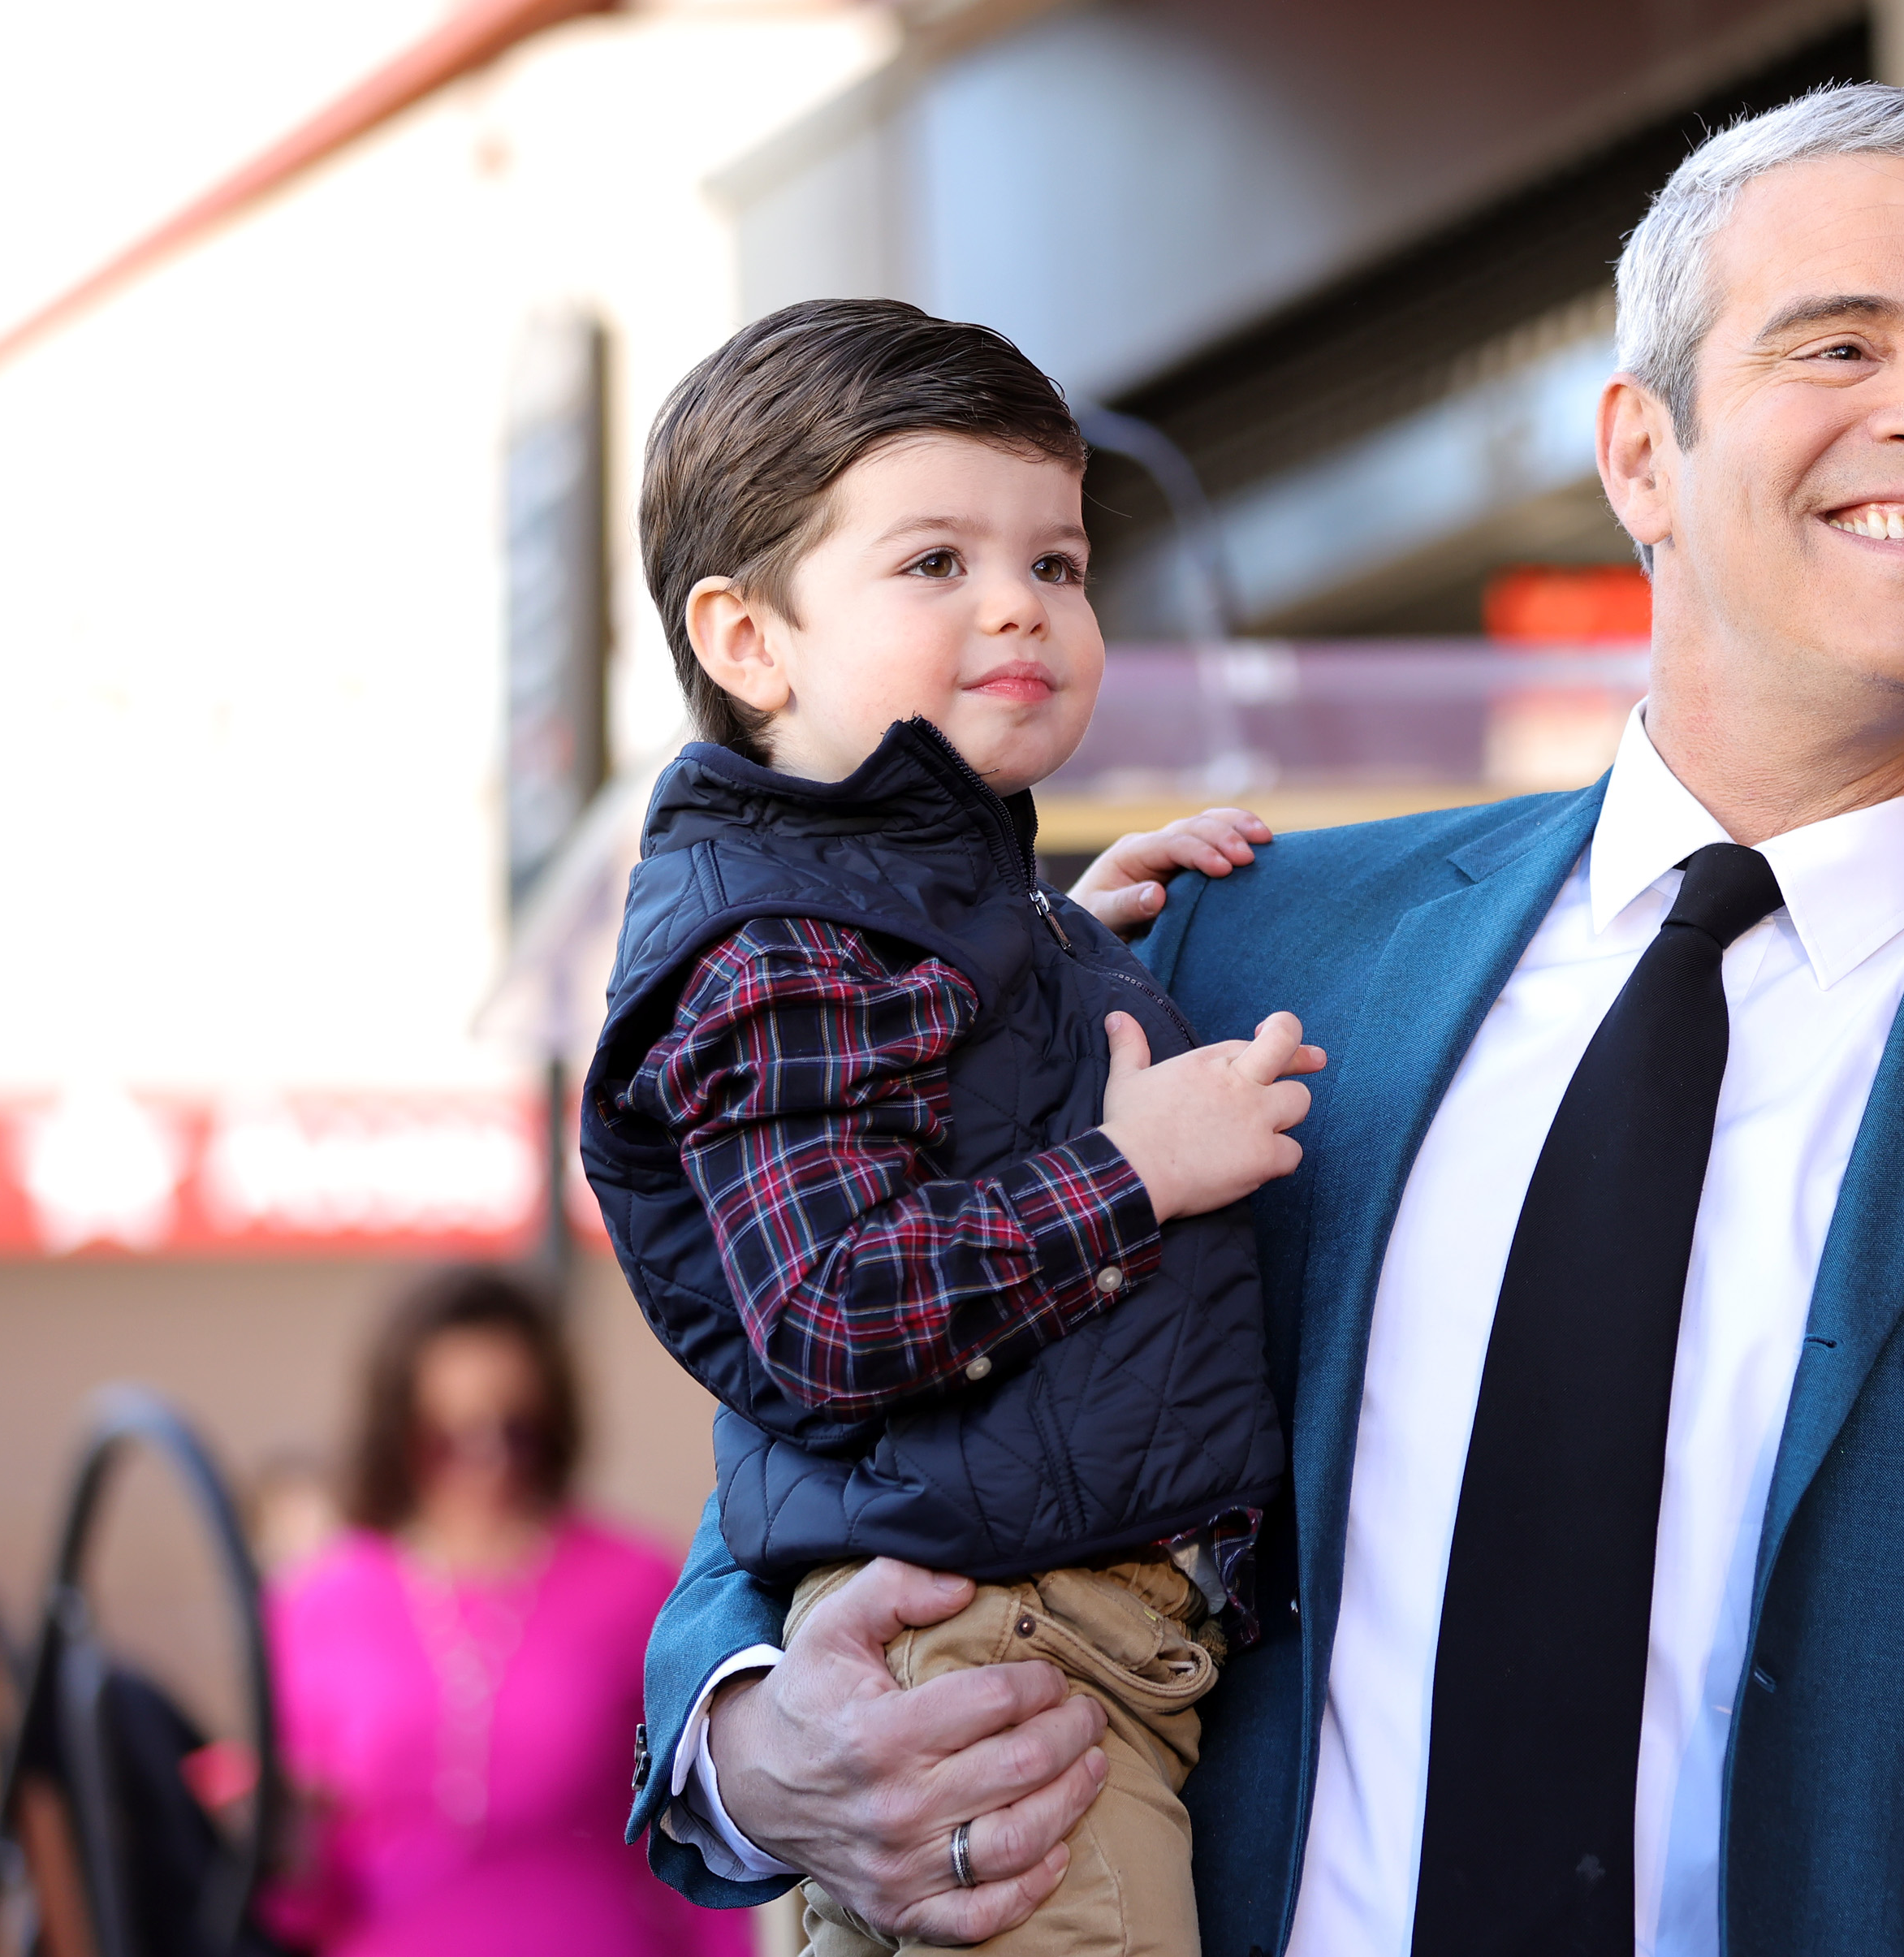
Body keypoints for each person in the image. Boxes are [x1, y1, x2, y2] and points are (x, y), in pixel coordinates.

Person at [636, 83, 1904, 1955]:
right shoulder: (1239, 955)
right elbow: (852, 1377)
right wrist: (749, 1737)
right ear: (1639, 455)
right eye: (1839, 341)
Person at [581, 300, 1317, 1956]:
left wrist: (1075, 935)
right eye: (933, 563)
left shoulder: (911, 903)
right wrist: (1131, 1169)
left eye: (1056, 563)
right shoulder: (778, 945)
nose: (1021, 603)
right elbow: (838, 1304)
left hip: (1031, 1642)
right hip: (998, 1668)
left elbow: (931, 1083)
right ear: (747, 639)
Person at [261, 1268, 749, 1956]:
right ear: (398, 1432)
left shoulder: (637, 1585)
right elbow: (297, 1899)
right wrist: (278, 1842)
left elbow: (705, 1850)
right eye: (447, 1438)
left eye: (513, 1431)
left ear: (552, 1423)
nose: (485, 1460)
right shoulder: (317, 1602)